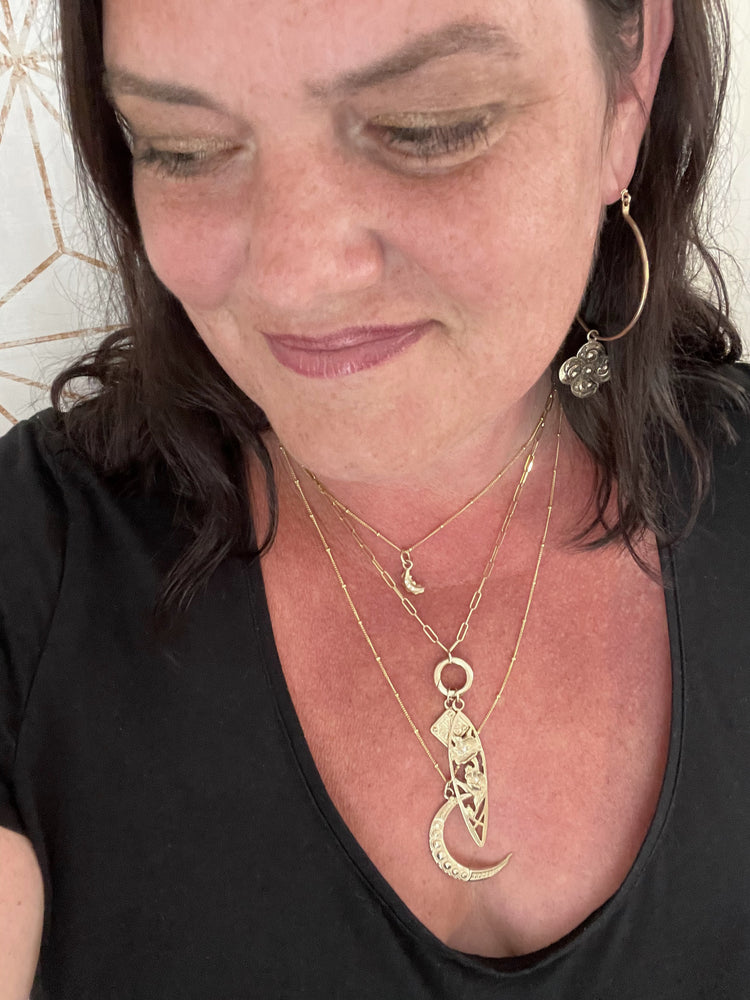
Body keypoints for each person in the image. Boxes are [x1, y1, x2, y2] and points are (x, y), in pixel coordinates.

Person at [1, 0, 748, 996]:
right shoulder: (28, 569)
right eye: (181, 148)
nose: (295, 278)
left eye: (426, 128)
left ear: (629, 89)